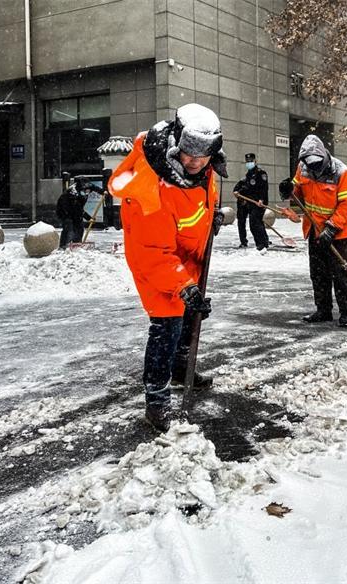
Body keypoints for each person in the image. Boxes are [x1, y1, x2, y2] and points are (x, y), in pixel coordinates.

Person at [108, 103, 228, 432]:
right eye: (188, 155)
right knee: (167, 326)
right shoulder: (150, 189)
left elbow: (201, 197)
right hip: (156, 263)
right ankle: (157, 400)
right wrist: (183, 285)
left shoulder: (204, 166)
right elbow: (152, 252)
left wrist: (210, 216)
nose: (193, 162)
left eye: (202, 157)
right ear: (176, 142)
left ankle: (179, 369)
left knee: (190, 318)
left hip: (188, 255)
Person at [279, 134, 347, 327]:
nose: (313, 168)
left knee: (340, 274)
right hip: (314, 230)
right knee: (318, 273)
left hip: (337, 233)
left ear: (324, 156)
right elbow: (296, 193)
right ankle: (323, 310)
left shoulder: (341, 172)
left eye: (316, 164)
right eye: (309, 164)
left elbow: (346, 205)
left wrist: (331, 228)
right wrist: (287, 190)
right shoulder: (303, 168)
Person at [233, 153, 270, 250]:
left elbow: (264, 188)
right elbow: (247, 188)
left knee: (255, 223)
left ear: (255, 161)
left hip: (260, 203)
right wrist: (239, 193)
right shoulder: (248, 175)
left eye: (251, 161)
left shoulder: (261, 173)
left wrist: (261, 200)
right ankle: (262, 242)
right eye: (247, 161)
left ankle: (262, 243)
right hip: (252, 203)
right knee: (255, 223)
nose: (249, 163)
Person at [55, 181, 91, 248]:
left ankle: (76, 243)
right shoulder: (72, 195)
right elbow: (77, 209)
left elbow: (79, 209)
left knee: (79, 227)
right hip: (66, 214)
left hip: (73, 213)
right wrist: (88, 217)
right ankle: (64, 245)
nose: (86, 193)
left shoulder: (79, 193)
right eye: (85, 191)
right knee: (68, 228)